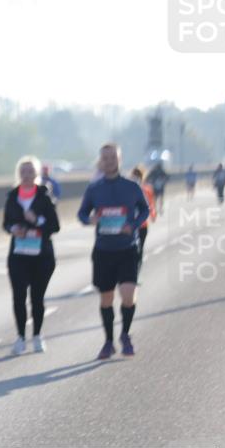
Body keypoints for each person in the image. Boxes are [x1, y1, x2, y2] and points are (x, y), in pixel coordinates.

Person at [78, 144, 149, 360]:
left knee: (128, 295)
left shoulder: (131, 186)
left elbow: (145, 209)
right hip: (103, 250)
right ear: (101, 161)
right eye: (105, 158)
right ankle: (108, 341)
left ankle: (125, 335)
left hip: (127, 248)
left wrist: (133, 224)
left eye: (113, 157)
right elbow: (82, 213)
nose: (109, 161)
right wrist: (90, 219)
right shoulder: (94, 188)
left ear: (120, 159)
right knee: (106, 299)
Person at [4, 156, 60, 354]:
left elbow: (55, 226)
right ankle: (20, 337)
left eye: (30, 172)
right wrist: (13, 228)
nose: (26, 176)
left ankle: (37, 335)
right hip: (18, 255)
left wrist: (37, 220)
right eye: (23, 172)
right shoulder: (12, 197)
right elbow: (5, 223)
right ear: (18, 175)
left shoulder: (44, 197)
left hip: (41, 256)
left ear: (37, 175)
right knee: (18, 297)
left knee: (37, 298)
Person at [130, 165, 157, 279]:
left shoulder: (147, 189)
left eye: (138, 176)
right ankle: (129, 273)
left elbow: (150, 205)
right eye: (134, 176)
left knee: (139, 250)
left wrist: (153, 215)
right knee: (130, 251)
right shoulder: (127, 188)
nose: (136, 178)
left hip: (142, 225)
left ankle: (135, 274)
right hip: (130, 226)